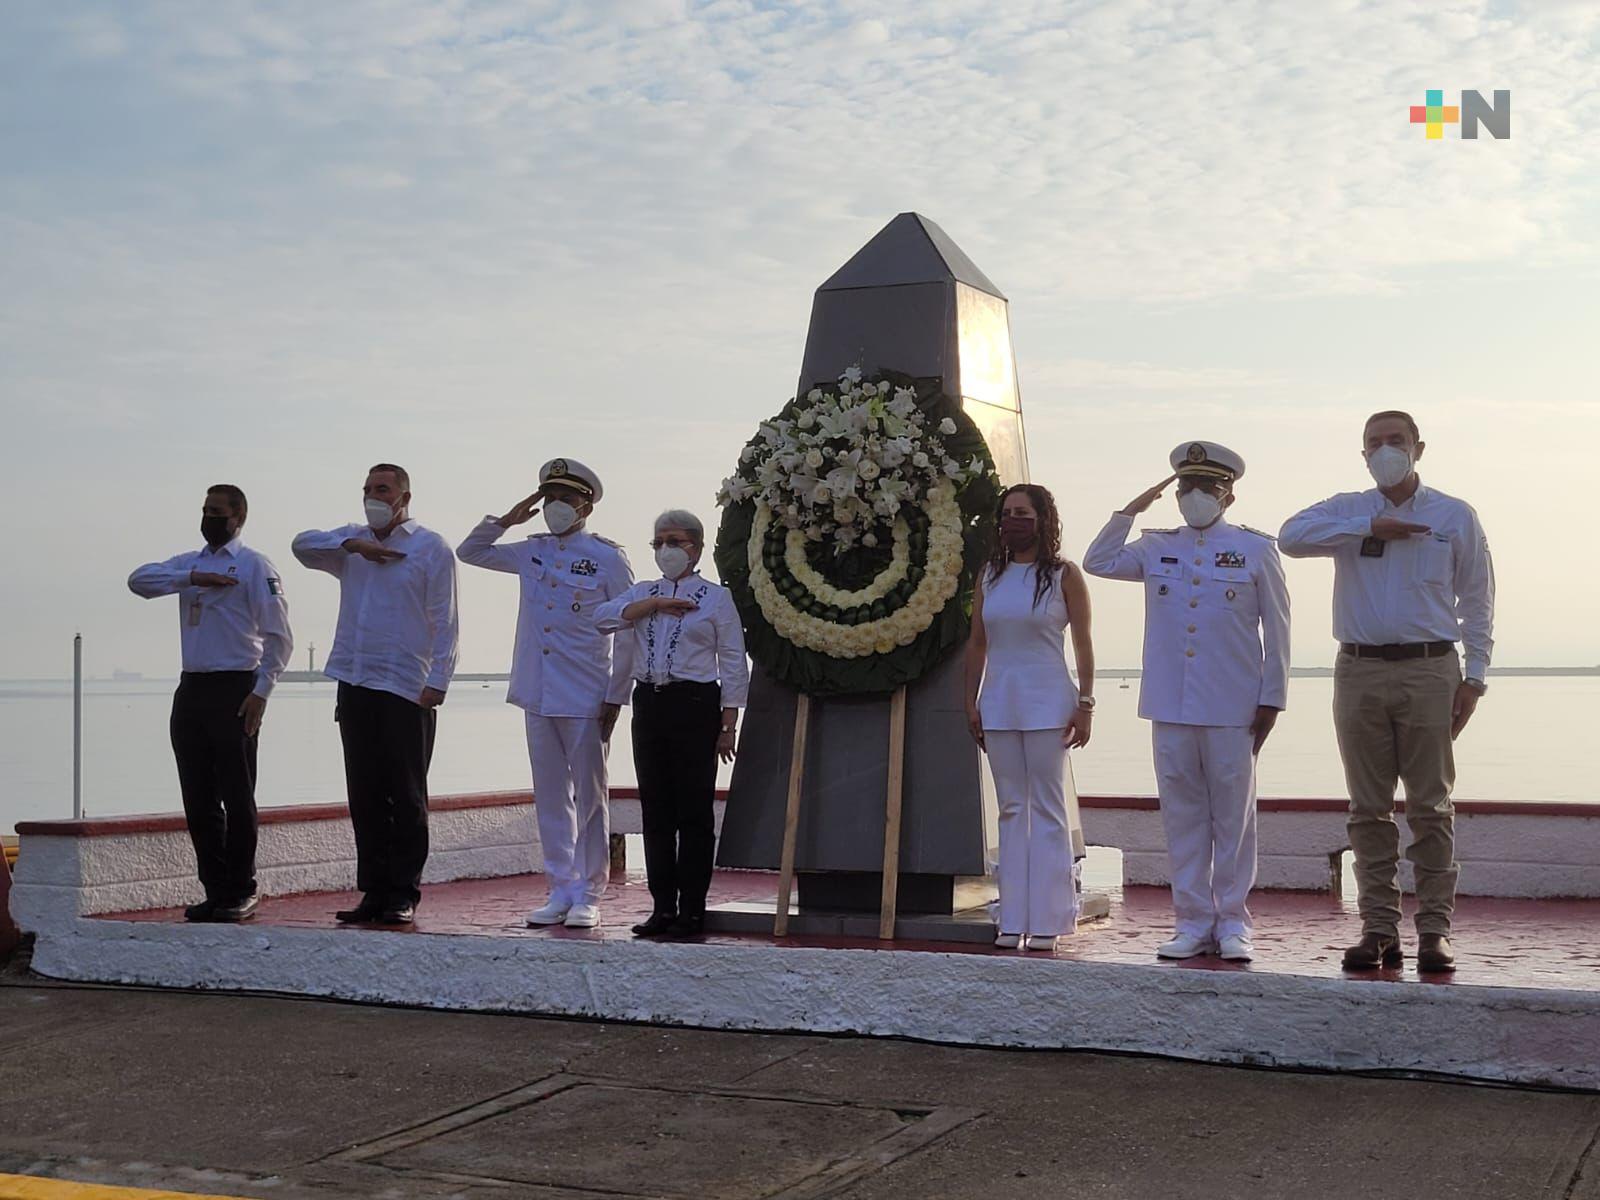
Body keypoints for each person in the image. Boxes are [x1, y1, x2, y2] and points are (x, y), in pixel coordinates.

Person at [1279, 411, 1493, 973]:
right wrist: (1369, 528)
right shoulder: (1347, 509)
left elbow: (1476, 600)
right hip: (1358, 669)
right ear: (1363, 454)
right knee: (1368, 809)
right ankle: (1378, 929)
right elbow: (1289, 537)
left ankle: (1434, 932)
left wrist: (1475, 678)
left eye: (1395, 441)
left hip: (1430, 669)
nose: (1385, 450)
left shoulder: (1454, 515)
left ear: (1419, 447)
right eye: (1374, 443)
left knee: (1430, 806)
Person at [1083, 443, 1290, 962]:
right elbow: (1098, 561)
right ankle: (1193, 921)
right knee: (1182, 818)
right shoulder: (1156, 547)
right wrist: (1131, 510)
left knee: (1233, 821)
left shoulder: (1256, 550)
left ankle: (1234, 923)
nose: (1195, 497)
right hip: (1170, 704)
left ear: (1229, 494)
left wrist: (1272, 699)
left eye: (1207, 488)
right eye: (1186, 487)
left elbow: (1279, 631)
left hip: (1232, 705)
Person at [456, 458, 634, 930]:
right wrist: (508, 520)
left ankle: (589, 893)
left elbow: (630, 627)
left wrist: (617, 694)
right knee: (551, 796)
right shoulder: (528, 550)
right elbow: (469, 551)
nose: (556, 506)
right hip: (537, 690)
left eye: (566, 499)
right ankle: (560, 889)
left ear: (586, 507)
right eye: (550, 497)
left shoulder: (608, 559)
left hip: (586, 693)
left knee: (591, 799)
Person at [292, 463, 459, 926]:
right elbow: (301, 545)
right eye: (367, 489)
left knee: (405, 796)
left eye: (382, 489)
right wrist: (353, 545)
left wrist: (439, 680)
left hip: (407, 686)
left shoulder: (430, 547)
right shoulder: (349, 543)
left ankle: (403, 892)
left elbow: (445, 620)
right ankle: (374, 892)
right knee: (364, 793)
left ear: (404, 496)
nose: (372, 496)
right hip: (355, 679)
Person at [128, 484, 293, 923]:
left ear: (238, 517)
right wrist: (193, 579)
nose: (209, 517)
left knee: (238, 796)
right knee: (198, 797)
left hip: (236, 686)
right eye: (204, 510)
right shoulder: (190, 563)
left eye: (217, 511)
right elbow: (138, 581)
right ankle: (215, 889)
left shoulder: (255, 565)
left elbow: (280, 637)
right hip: (193, 688)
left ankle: (242, 888)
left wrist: (262, 692)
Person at [596, 510, 749, 940]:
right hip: (650, 702)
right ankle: (662, 907)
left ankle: (693, 910)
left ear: (696, 548)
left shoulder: (716, 597)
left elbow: (733, 661)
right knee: (656, 809)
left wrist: (728, 722)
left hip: (696, 703)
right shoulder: (643, 592)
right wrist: (655, 605)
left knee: (694, 812)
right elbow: (602, 618)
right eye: (660, 541)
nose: (667, 549)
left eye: (676, 541)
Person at [962, 483, 1095, 952]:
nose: (1011, 521)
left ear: (1042, 519)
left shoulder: (1063, 575)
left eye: (1021, 512)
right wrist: (970, 699)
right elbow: (978, 642)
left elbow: (1082, 643)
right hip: (1000, 703)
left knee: (1048, 809)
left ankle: (1049, 920)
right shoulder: (990, 575)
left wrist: (1086, 702)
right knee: (1011, 809)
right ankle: (1012, 916)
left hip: (1049, 704)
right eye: (1006, 513)